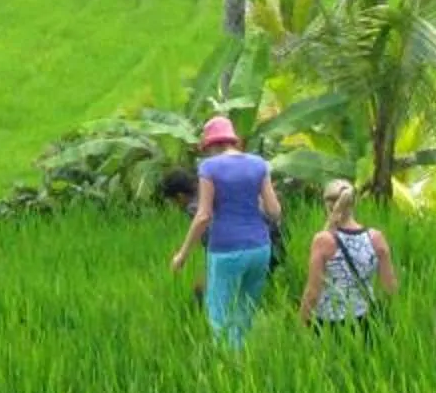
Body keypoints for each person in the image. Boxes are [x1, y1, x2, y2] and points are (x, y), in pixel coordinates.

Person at [167, 115, 281, 347]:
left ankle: (228, 364)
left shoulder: (209, 167)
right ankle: (245, 358)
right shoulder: (259, 164)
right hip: (260, 248)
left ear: (210, 145)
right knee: (246, 311)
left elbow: (203, 216)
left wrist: (182, 255)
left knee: (219, 315)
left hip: (226, 250)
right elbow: (274, 211)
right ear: (231, 139)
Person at [299, 179, 397, 333]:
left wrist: (301, 323)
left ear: (327, 204)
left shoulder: (323, 240)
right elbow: (390, 287)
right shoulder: (376, 238)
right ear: (354, 203)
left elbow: (313, 291)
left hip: (328, 323)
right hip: (365, 320)